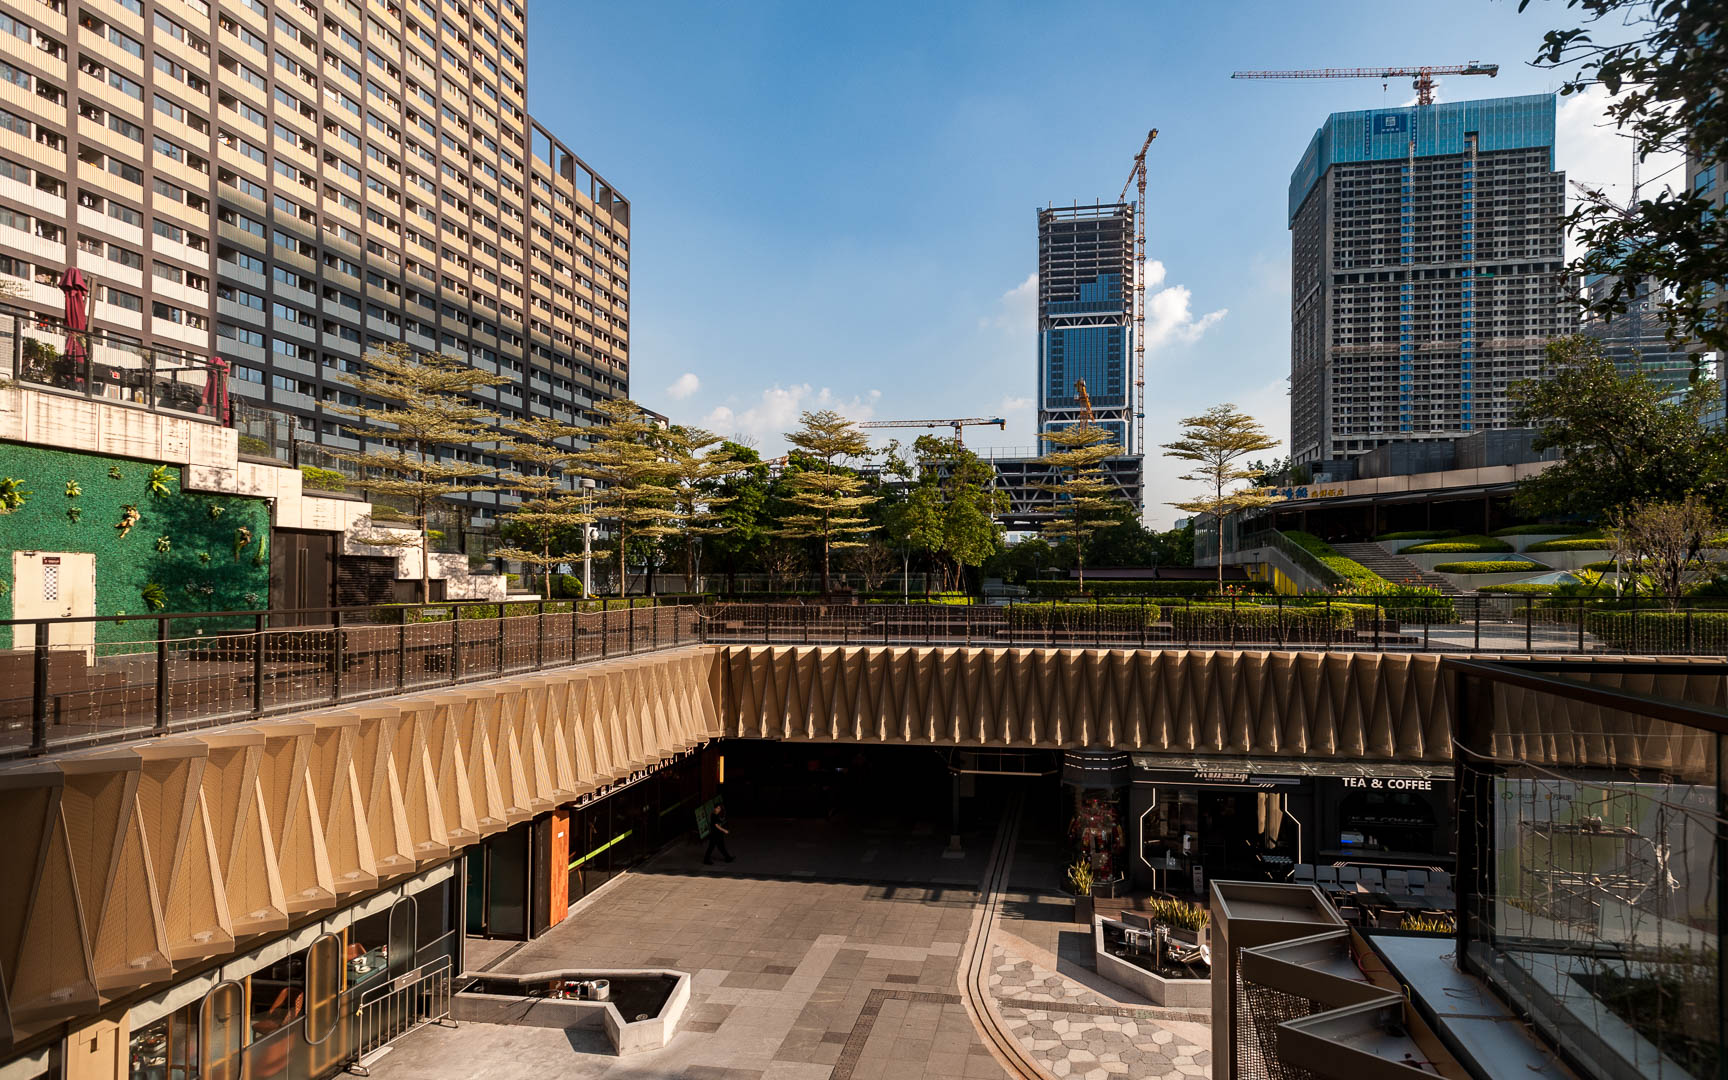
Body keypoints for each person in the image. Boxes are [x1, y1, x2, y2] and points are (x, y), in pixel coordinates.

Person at [704, 801, 735, 865]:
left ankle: (728, 858)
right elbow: (716, 825)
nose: (718, 809)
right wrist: (724, 830)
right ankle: (706, 860)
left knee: (721, 846)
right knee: (711, 847)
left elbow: (721, 821)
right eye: (717, 808)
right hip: (714, 834)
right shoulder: (713, 815)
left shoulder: (718, 814)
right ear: (715, 808)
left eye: (719, 808)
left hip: (718, 833)